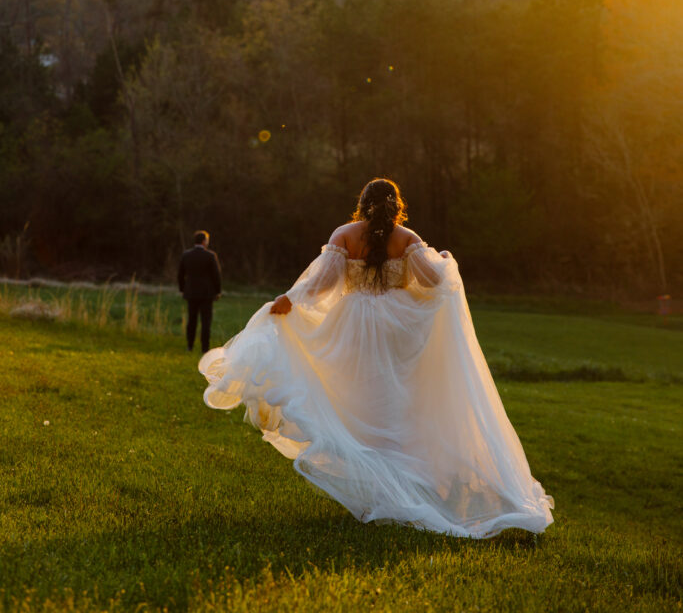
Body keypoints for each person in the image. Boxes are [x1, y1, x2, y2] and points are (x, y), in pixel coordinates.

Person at [199, 179, 555, 538]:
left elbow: (322, 283)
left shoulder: (346, 234)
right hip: (397, 328)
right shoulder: (407, 238)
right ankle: (399, 476)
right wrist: (446, 262)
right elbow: (432, 282)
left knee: (359, 398)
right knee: (397, 398)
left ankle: (379, 483)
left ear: (362, 203)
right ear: (396, 205)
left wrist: (290, 298)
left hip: (353, 326)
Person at [179, 230, 222, 353]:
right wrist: (218, 291)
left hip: (191, 292)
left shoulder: (186, 255)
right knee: (205, 322)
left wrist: (183, 289)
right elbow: (216, 276)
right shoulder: (210, 256)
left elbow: (180, 275)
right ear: (204, 241)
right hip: (206, 294)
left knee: (191, 320)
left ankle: (190, 346)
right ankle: (204, 348)